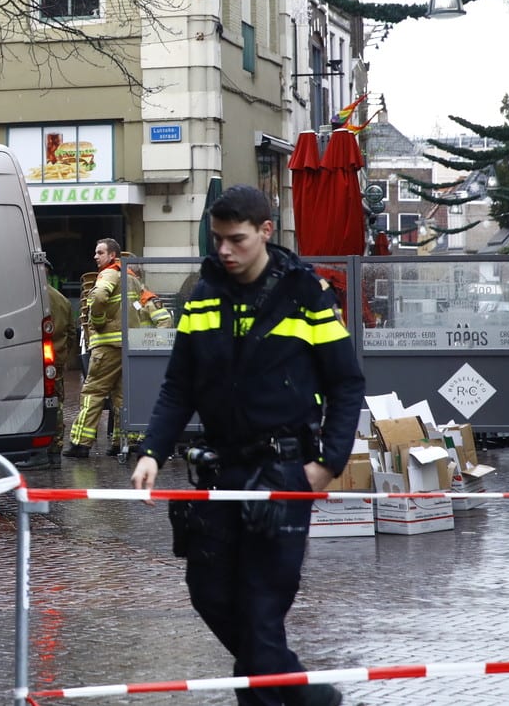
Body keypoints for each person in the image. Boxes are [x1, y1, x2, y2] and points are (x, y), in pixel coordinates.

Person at [129, 185, 364, 706]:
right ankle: (306, 695)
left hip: (283, 473)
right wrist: (151, 450)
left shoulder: (306, 295)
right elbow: (178, 386)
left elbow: (347, 383)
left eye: (236, 240)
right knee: (208, 594)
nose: (224, 252)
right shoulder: (203, 294)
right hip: (217, 474)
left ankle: (294, 697)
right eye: (217, 241)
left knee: (260, 611)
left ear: (265, 231)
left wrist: (326, 464)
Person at [64, 238, 124, 457]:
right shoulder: (128, 277)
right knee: (121, 397)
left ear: (112, 256)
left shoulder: (108, 274)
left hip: (106, 347)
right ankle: (121, 442)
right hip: (123, 348)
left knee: (92, 392)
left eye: (100, 253)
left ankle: (81, 443)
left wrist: (96, 320)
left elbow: (98, 296)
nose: (95, 256)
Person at [41, 267, 78, 467]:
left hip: (37, 360)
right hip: (57, 360)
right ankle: (55, 449)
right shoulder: (62, 300)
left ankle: (39, 449)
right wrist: (63, 354)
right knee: (57, 404)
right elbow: (72, 332)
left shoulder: (34, 297)